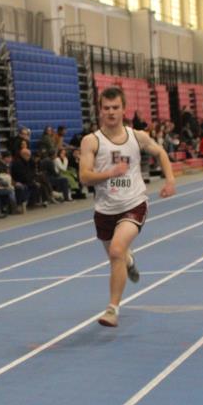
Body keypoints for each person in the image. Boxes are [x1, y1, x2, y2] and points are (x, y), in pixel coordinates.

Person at [79, 86, 176, 328]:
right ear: (100, 111)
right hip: (105, 209)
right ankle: (129, 261)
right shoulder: (91, 141)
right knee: (118, 256)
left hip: (134, 203)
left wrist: (170, 180)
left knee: (116, 251)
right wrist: (110, 173)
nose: (111, 112)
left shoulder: (137, 137)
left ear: (124, 109)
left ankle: (112, 309)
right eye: (106, 108)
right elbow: (84, 177)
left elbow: (161, 153)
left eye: (115, 107)